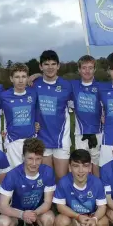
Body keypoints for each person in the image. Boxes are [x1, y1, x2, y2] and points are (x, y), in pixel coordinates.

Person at [0, 138, 56, 226]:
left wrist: (34, 214)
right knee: (1, 224)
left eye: (38, 159)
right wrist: (22, 215)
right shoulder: (12, 175)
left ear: (42, 158)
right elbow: (2, 207)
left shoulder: (48, 172)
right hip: (17, 214)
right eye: (30, 158)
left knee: (50, 220)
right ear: (23, 157)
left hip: (37, 213)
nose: (34, 163)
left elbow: (48, 202)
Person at [53, 149, 110, 226]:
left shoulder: (97, 182)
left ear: (89, 168)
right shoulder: (63, 182)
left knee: (104, 224)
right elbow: (60, 207)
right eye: (76, 166)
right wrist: (78, 217)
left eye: (85, 166)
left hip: (91, 218)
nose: (80, 170)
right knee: (60, 223)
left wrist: (94, 219)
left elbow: (102, 207)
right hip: (73, 218)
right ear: (69, 168)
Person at [33, 50, 74, 181]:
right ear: (40, 66)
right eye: (46, 64)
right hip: (42, 138)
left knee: (61, 178)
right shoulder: (34, 84)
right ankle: (48, 202)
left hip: (61, 139)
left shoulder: (67, 86)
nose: (50, 67)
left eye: (53, 64)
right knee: (46, 178)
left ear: (58, 66)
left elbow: (82, 105)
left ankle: (61, 202)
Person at [0, 63, 37, 169]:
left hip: (31, 140)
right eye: (17, 77)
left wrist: (38, 74)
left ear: (28, 78)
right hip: (12, 141)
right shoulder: (3, 96)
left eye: (24, 77)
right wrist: (1, 130)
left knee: (31, 172)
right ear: (11, 79)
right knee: (16, 174)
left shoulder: (33, 93)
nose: (20, 81)